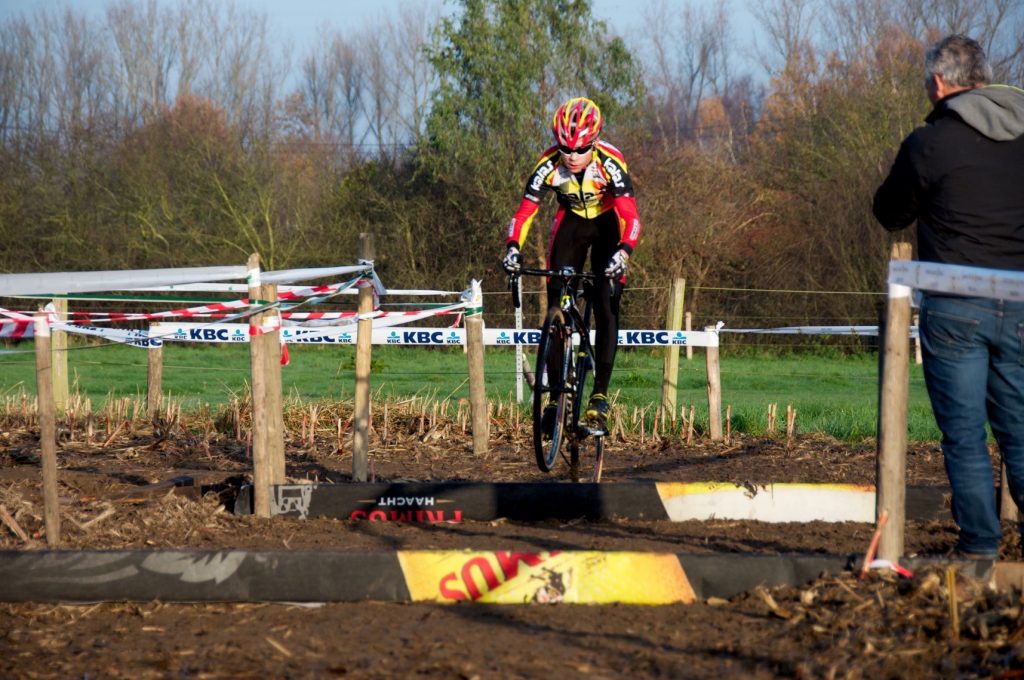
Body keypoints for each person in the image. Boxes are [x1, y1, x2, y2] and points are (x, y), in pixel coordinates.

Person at [873, 34, 1024, 559]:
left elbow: (891, 212)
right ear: (982, 78)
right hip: (1022, 302)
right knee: (1020, 429)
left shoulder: (930, 142)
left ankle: (980, 547)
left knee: (964, 434)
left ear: (939, 83)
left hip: (956, 304)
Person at [501, 96, 642, 431]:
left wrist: (623, 252)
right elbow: (524, 214)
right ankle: (552, 401)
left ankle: (599, 399)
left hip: (608, 225)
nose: (572, 156)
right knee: (555, 306)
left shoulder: (610, 163)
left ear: (594, 143)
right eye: (566, 148)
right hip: (572, 224)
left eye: (581, 150)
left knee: (607, 305)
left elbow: (631, 217)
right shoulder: (548, 164)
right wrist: (511, 249)